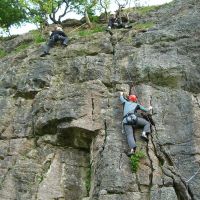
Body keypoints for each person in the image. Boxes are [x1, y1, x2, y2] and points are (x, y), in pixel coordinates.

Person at [119, 92, 153, 156]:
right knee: (147, 123)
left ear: (129, 99)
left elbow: (121, 98)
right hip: (134, 119)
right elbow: (145, 110)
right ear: (134, 100)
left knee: (129, 135)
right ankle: (144, 133)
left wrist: (121, 94)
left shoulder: (126, 102)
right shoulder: (137, 104)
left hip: (126, 121)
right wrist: (150, 108)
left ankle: (132, 150)